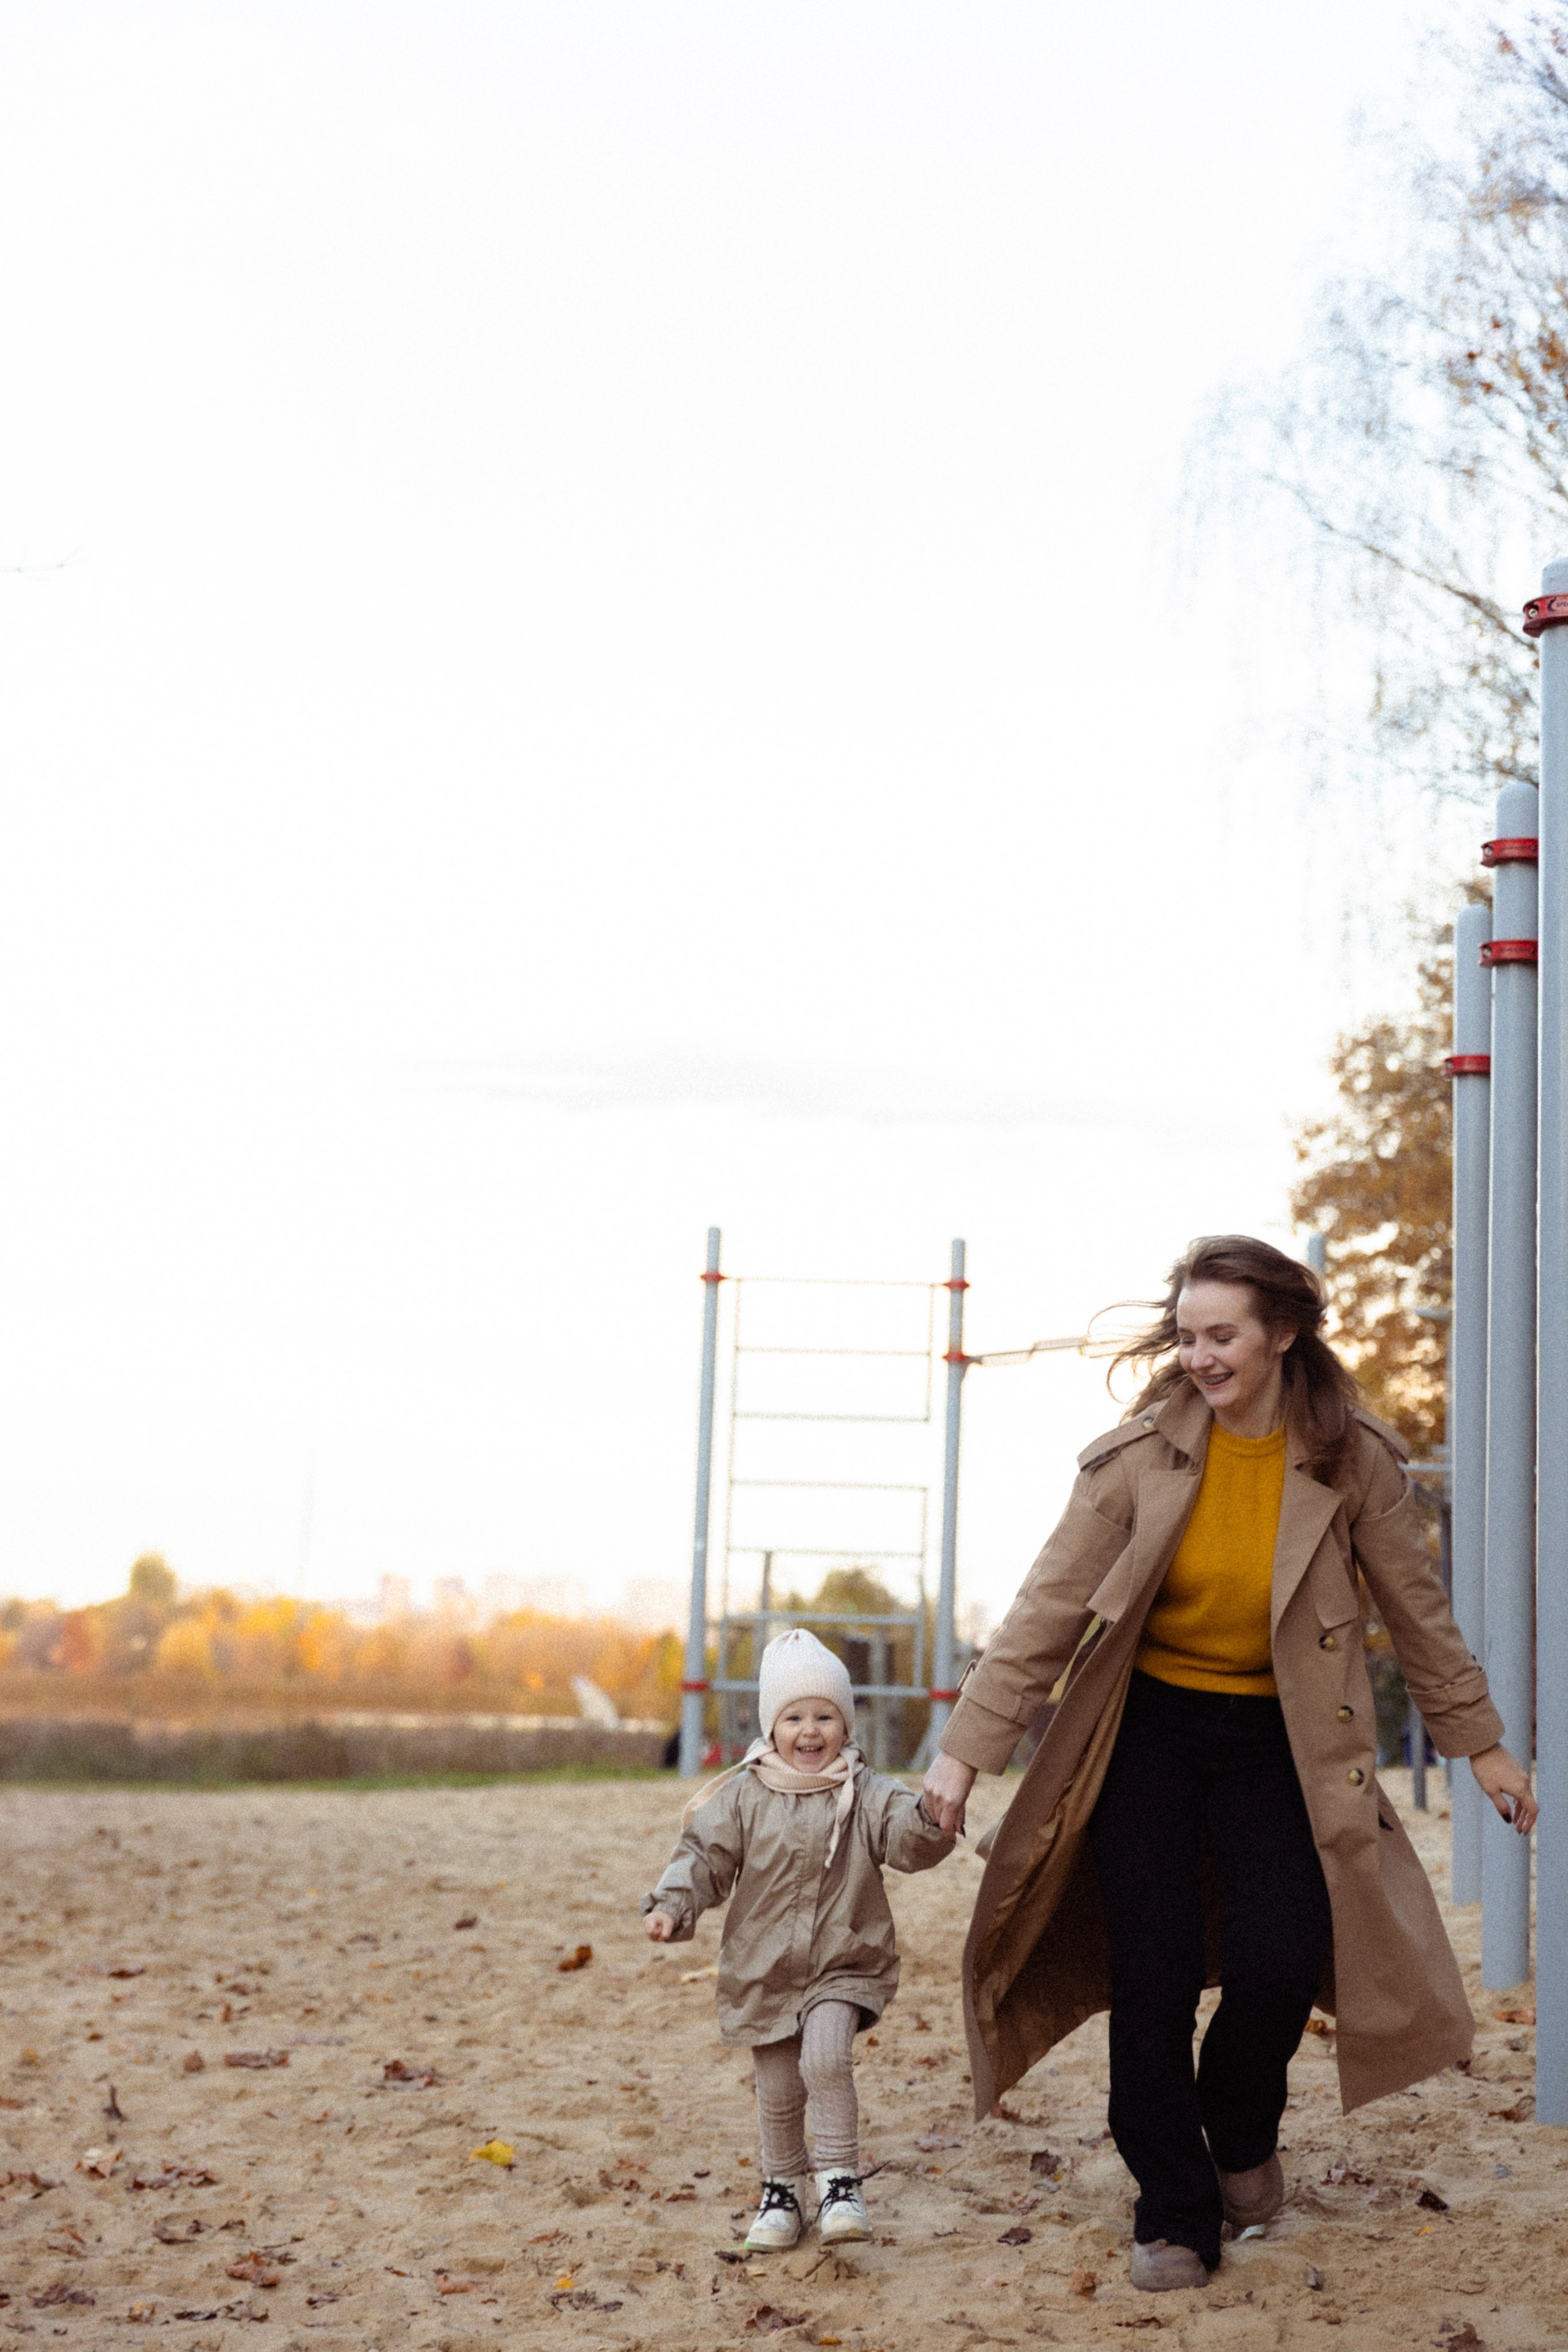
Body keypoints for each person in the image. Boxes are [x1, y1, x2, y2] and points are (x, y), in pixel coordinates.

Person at [921, 1235, 1536, 2294]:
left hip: (1283, 1741)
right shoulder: (1142, 1456)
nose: (1200, 1356)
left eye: (1223, 1336)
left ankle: (1242, 2131)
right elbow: (1044, 1612)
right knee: (1148, 1977)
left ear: (1282, 1334)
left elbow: (1417, 1616)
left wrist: (1480, 1744)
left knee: (1282, 1958)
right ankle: (1173, 2207)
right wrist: (960, 1760)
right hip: (1147, 1733)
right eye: (1189, 1335)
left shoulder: (1352, 1459)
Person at [644, 1626, 954, 2251]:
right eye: (793, 1717)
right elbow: (703, 1857)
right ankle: (782, 2191)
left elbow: (905, 1838)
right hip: (763, 1969)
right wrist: (673, 1905)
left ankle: (839, 2181)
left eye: (824, 1716)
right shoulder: (742, 1795)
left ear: (845, 1725)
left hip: (844, 1960)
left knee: (825, 2059)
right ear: (770, 1726)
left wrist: (930, 1821)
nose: (809, 1731)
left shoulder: (867, 1792)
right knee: (780, 2090)